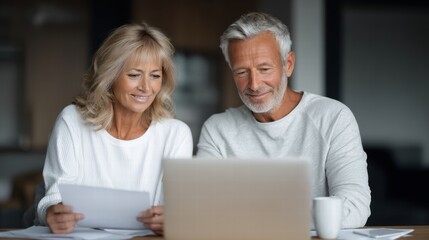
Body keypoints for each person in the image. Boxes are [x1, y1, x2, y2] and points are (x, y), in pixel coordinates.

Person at [196, 12, 371, 228]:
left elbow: (355, 207)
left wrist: (249, 216)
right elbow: (201, 208)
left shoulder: (333, 117)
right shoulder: (217, 129)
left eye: (264, 69)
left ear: (288, 64)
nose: (254, 84)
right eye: (241, 72)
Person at [36, 22, 193, 235]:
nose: (146, 87)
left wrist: (173, 219)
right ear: (111, 76)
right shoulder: (72, 121)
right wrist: (51, 213)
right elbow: (54, 197)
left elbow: (174, 209)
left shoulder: (176, 134)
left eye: (155, 75)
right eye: (134, 74)